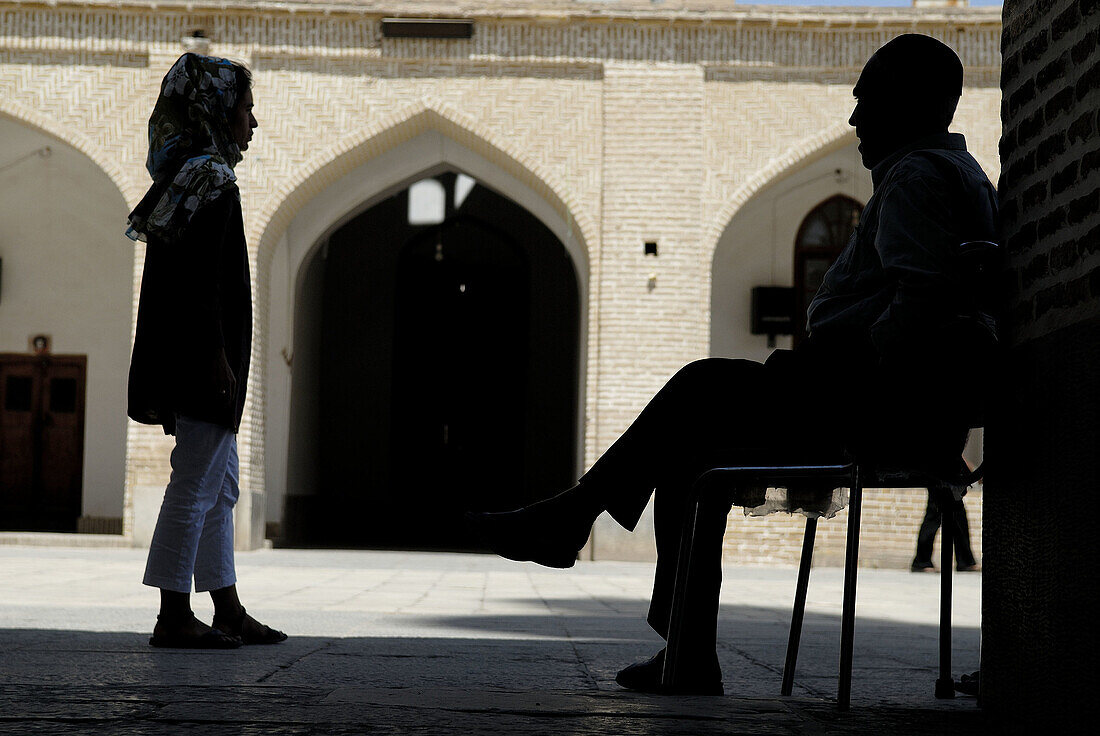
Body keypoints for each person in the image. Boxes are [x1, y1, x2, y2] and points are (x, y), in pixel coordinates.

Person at [469, 34, 997, 695]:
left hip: (874, 405)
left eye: (867, 101)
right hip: (904, 407)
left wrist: (846, 373)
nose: (855, 120)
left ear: (910, 102)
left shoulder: (917, 178)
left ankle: (574, 520)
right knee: (688, 456)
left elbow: (924, 300)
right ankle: (678, 647)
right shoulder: (959, 176)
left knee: (702, 385)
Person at [127, 53, 286, 648]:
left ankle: (227, 606)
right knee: (194, 481)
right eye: (246, 108)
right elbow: (198, 285)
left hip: (201, 356)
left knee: (220, 484)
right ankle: (173, 615)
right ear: (218, 109)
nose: (252, 123)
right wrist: (215, 357)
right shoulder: (208, 179)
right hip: (204, 360)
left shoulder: (193, 175)